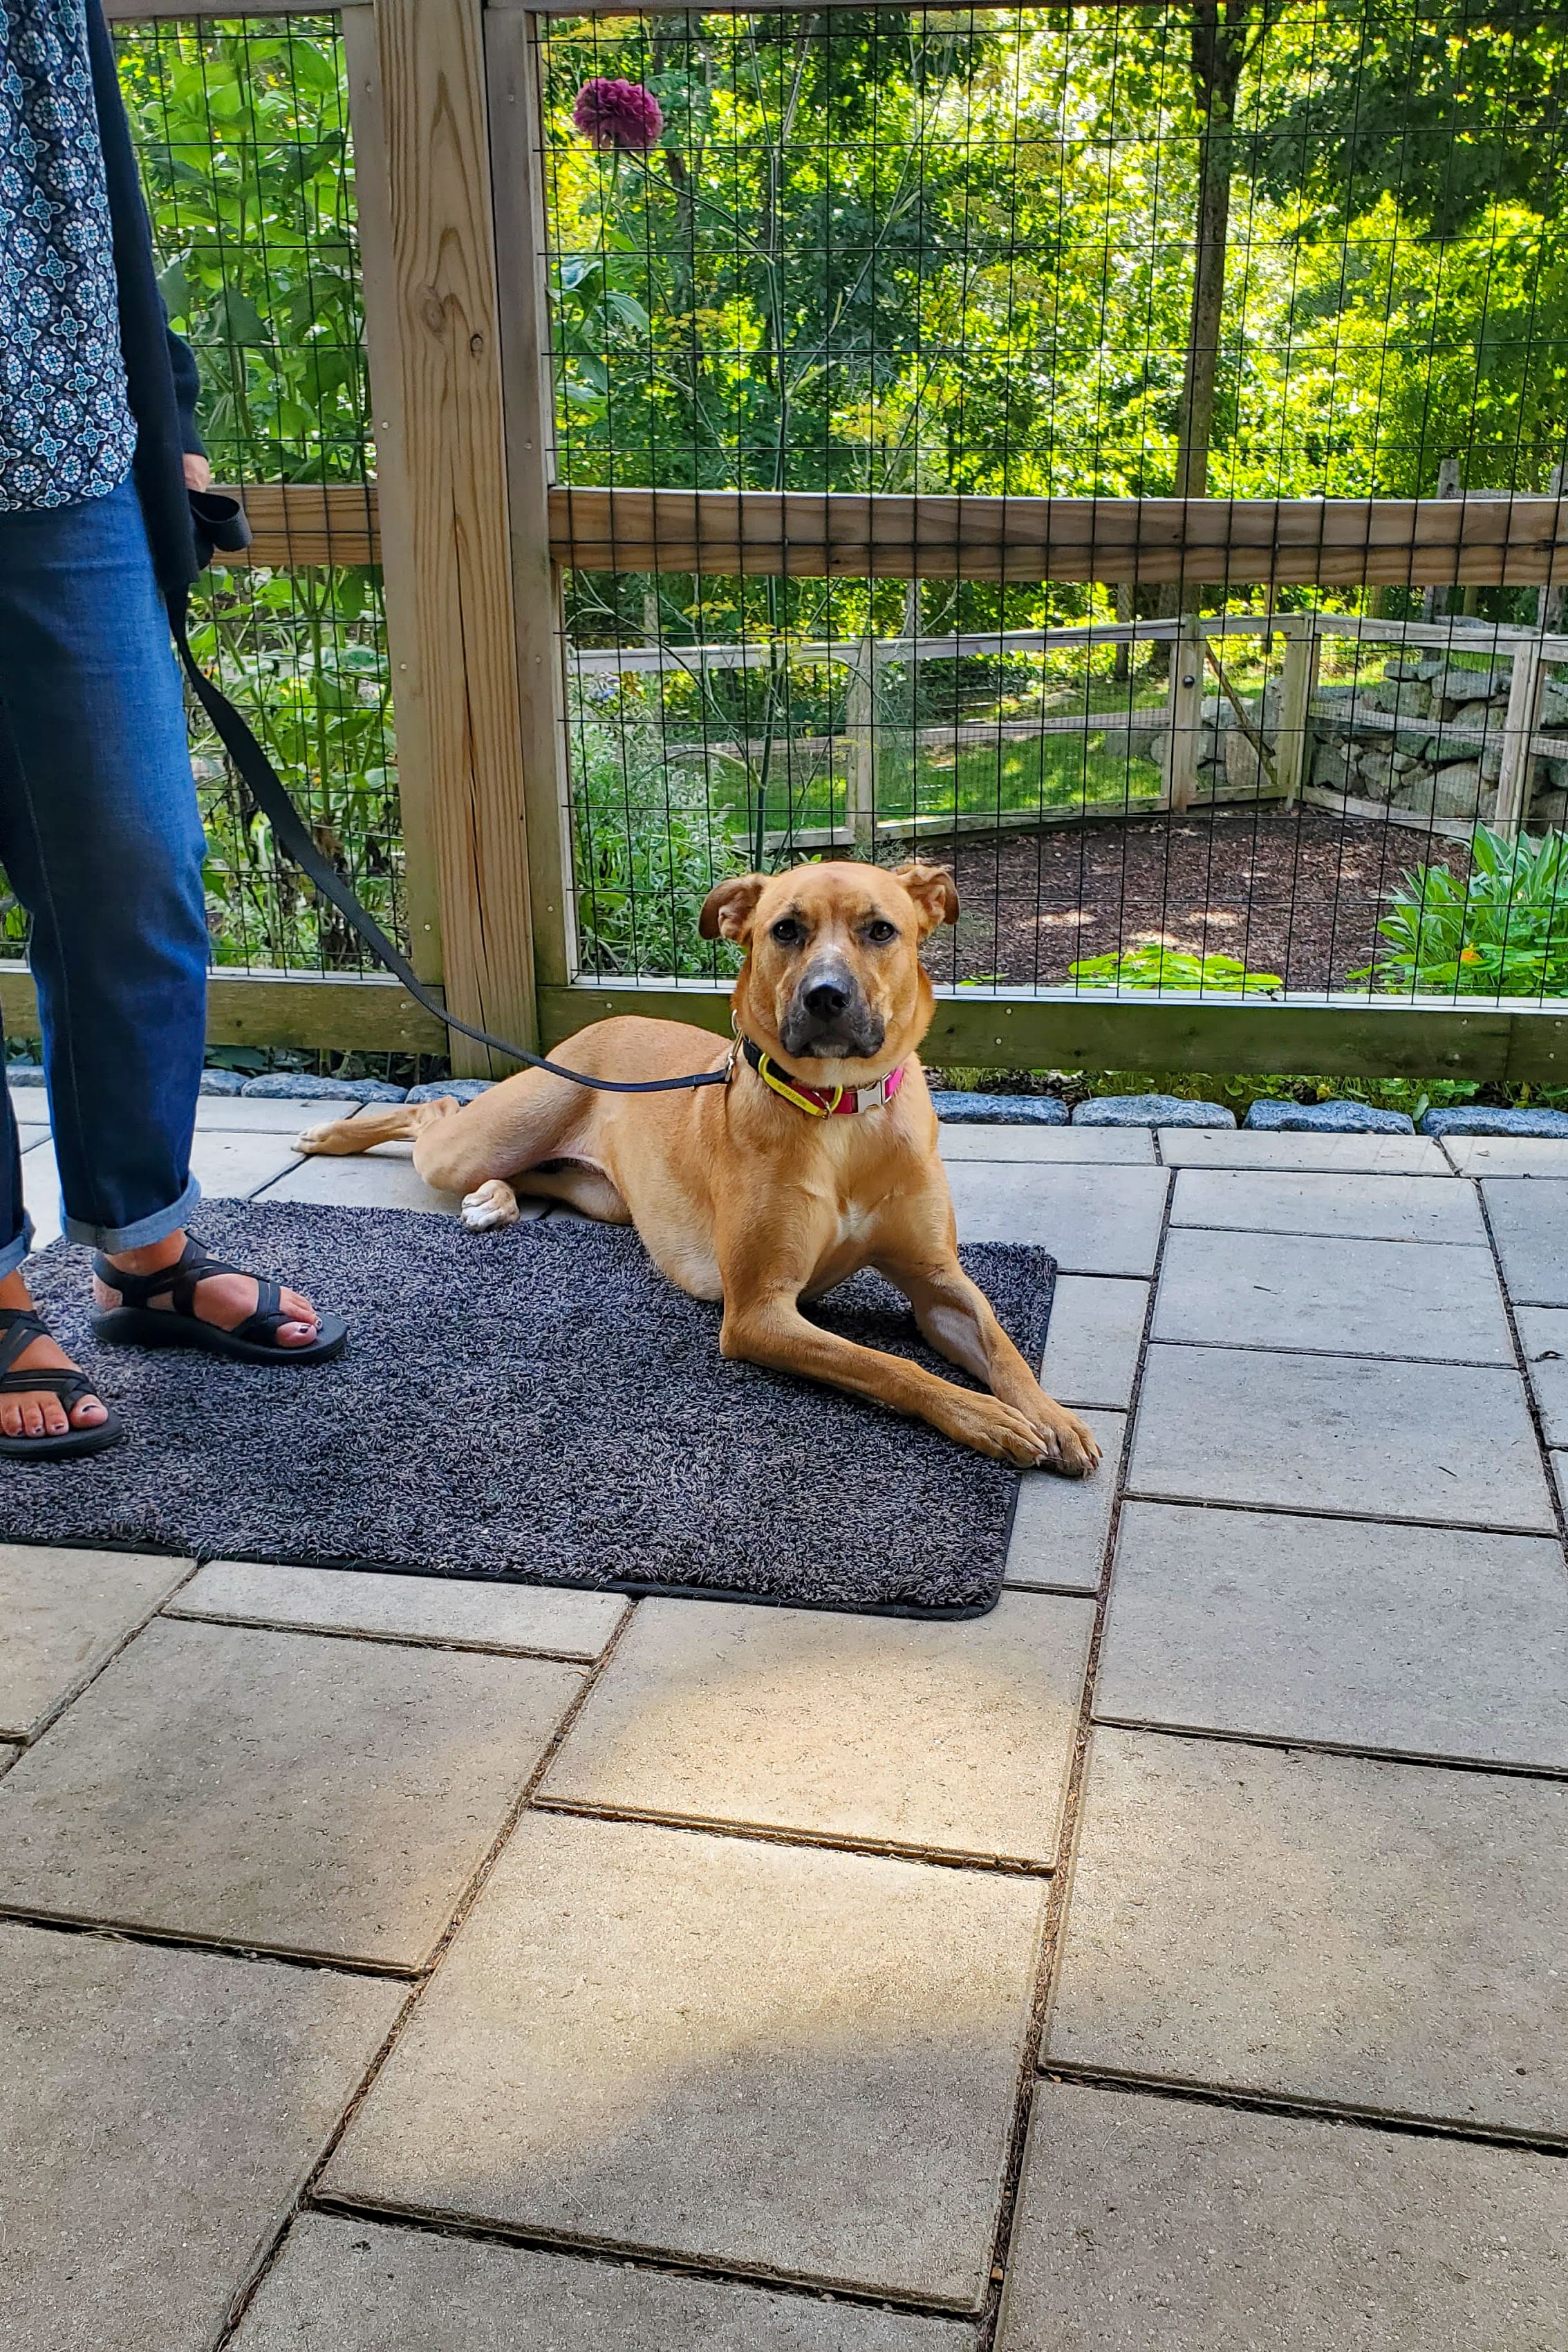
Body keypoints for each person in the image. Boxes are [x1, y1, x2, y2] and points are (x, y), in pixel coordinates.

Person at [0, 0, 347, 1460]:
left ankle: (141, 1240)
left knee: (139, 864)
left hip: (66, 444)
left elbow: (83, 182)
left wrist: (169, 407)